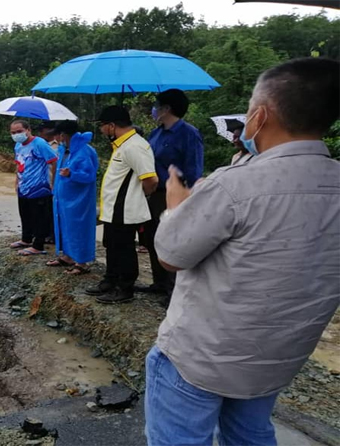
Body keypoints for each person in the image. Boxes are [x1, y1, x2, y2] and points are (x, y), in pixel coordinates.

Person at [145, 57, 340, 446]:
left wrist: (178, 207)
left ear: (260, 116)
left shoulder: (237, 185)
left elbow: (170, 255)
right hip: (276, 358)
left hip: (200, 359)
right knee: (250, 435)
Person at [85, 106, 158, 303]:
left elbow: (151, 179)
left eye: (102, 126)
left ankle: (125, 288)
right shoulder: (122, 145)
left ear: (111, 125)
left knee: (124, 248)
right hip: (113, 209)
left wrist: (137, 197)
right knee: (112, 245)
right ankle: (110, 280)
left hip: (125, 210)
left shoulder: (135, 146)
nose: (101, 130)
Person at [140, 89, 204, 305]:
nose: (153, 109)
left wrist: (188, 197)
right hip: (153, 192)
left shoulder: (188, 133)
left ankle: (174, 291)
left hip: (174, 193)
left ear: (167, 109)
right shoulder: (156, 133)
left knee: (172, 240)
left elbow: (194, 168)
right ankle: (159, 282)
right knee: (151, 238)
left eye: (157, 105)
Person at [47, 120, 98, 275]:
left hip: (79, 200)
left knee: (79, 228)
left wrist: (72, 174)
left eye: (57, 134)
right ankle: (68, 256)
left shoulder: (84, 151)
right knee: (65, 226)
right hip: (64, 198)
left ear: (63, 134)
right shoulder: (64, 149)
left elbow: (90, 175)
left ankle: (82, 262)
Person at [9, 120, 58, 256]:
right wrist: (16, 182)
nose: (16, 134)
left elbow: (54, 161)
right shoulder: (18, 145)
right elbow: (19, 164)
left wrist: (53, 182)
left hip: (39, 187)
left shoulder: (40, 143)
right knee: (25, 214)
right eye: (13, 132)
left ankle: (38, 245)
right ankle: (26, 239)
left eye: (19, 131)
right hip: (23, 187)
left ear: (28, 130)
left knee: (40, 217)